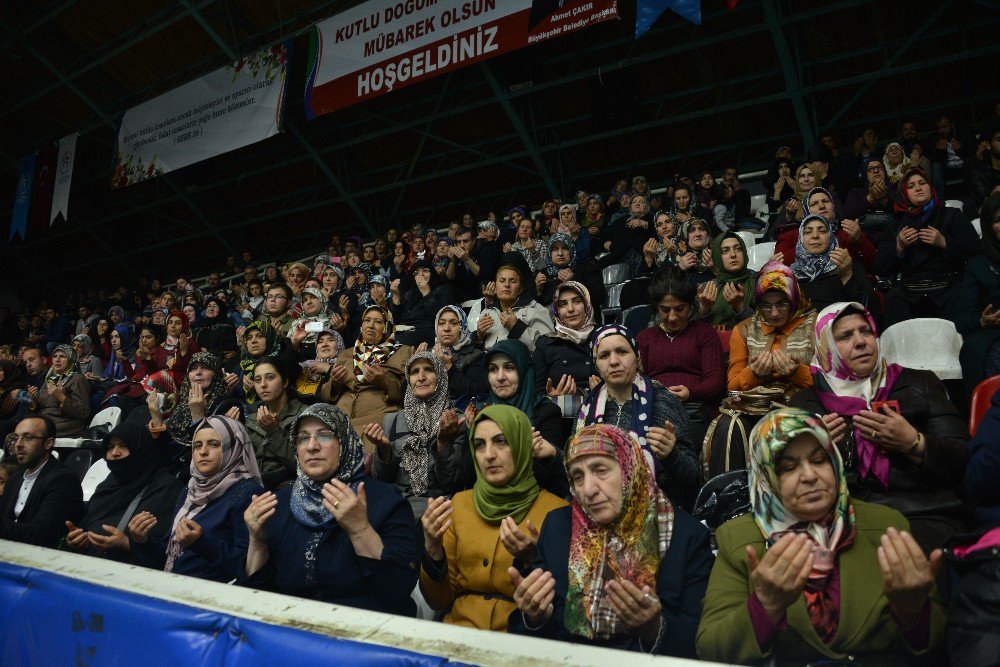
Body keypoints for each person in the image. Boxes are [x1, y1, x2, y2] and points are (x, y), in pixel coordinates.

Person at [697, 408, 946, 664]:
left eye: (819, 461)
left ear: (835, 461)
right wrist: (766, 605)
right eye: (788, 467)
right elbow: (711, 649)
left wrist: (913, 611)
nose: (809, 476)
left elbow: (938, 646)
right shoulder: (739, 539)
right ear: (766, 477)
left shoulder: (886, 527)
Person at [508, 424, 712, 657]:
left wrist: (654, 629)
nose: (588, 489)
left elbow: (701, 644)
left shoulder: (685, 536)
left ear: (630, 469)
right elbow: (531, 636)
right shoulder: (558, 527)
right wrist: (535, 617)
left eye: (601, 470)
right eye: (577, 476)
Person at [790, 302, 970, 552]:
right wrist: (812, 451)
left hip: (921, 513)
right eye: (845, 336)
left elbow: (964, 460)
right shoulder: (806, 403)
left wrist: (913, 442)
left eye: (866, 331)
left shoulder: (919, 383)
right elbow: (786, 481)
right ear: (826, 347)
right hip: (842, 517)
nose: (861, 342)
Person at [238, 404, 419, 615]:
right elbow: (253, 596)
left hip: (365, 631)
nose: (312, 446)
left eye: (324, 436)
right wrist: (257, 541)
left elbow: (399, 587)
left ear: (345, 442)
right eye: (303, 438)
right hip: (292, 630)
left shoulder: (385, 499)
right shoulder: (276, 504)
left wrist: (360, 530)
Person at [419, 405, 568, 630]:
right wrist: (432, 548)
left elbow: (563, 611)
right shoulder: (459, 504)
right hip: (459, 634)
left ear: (520, 445)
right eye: (479, 445)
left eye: (501, 441)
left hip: (521, 637)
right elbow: (437, 600)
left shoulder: (556, 511)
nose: (488, 455)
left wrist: (532, 559)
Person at [577, 325, 700, 510]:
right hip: (600, 508)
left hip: (657, 509)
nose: (614, 361)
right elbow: (577, 472)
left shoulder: (663, 402)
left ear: (637, 358)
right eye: (604, 355)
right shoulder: (587, 409)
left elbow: (693, 477)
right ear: (597, 365)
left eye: (622, 352)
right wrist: (553, 456)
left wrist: (671, 455)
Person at [129, 416, 264, 581]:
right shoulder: (190, 489)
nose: (203, 451)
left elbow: (249, 567)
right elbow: (168, 555)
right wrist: (142, 541)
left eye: (214, 444)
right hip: (173, 586)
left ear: (233, 447)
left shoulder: (247, 493)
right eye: (197, 445)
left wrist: (201, 544)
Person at [874, 167, 980, 328]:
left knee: (962, 298)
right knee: (893, 300)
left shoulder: (951, 215)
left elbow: (975, 251)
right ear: (904, 194)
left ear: (931, 188)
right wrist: (899, 247)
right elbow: (881, 268)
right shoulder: (895, 225)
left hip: (947, 285)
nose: (918, 188)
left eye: (922, 183)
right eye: (911, 186)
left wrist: (944, 243)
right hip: (909, 289)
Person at [365, 351, 465, 520]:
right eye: (414, 372)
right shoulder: (392, 421)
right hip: (398, 505)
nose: (421, 377)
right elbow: (381, 480)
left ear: (440, 376)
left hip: (440, 506)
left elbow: (451, 483)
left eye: (428, 370)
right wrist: (384, 450)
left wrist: (442, 444)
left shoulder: (455, 421)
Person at [463, 339, 569, 498]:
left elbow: (551, 481)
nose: (500, 377)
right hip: (487, 502)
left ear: (524, 370)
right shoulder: (481, 413)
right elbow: (465, 479)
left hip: (533, 502)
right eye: (493, 369)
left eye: (509, 367)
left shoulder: (546, 412)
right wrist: (472, 436)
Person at [63, 422, 181, 561]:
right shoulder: (108, 485)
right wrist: (76, 542)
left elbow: (171, 553)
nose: (114, 453)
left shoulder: (166, 489)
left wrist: (128, 545)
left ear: (141, 448)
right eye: (110, 447)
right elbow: (87, 527)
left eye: (123, 445)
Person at [320, 305, 412, 439]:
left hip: (377, 418)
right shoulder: (347, 353)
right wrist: (335, 383)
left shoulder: (404, 352)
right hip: (341, 417)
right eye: (367, 320)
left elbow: (410, 393)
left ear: (388, 326)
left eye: (378, 322)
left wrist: (385, 382)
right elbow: (325, 396)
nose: (371, 325)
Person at [639, 268, 725, 406]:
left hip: (696, 408)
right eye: (665, 310)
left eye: (679, 309)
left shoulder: (704, 333)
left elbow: (715, 381)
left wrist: (690, 393)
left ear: (690, 306)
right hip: (654, 408)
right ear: (656, 308)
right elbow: (637, 381)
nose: (672, 317)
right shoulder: (644, 338)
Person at [728, 261, 817, 392]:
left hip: (803, 406)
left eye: (782, 304)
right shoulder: (745, 329)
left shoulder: (816, 325)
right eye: (766, 305)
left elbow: (833, 381)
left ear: (794, 299)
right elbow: (732, 388)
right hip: (756, 407)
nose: (774, 313)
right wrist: (753, 374)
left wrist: (797, 373)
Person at [0, 416, 84, 547]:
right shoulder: (14, 479)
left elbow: (41, 535)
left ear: (49, 443)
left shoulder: (62, 480)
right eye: (15, 438)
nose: (18, 444)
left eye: (28, 437)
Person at [790, 214, 881, 322]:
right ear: (800, 239)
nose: (815, 235)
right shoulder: (791, 275)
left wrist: (847, 276)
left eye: (822, 231)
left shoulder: (848, 266)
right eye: (807, 232)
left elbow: (872, 312)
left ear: (831, 236)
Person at [954, 195, 1000, 391]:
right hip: (995, 334)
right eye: (998, 220)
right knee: (976, 349)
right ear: (989, 227)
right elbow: (963, 320)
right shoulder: (979, 265)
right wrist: (983, 321)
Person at [468, 253, 553, 352]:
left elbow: (548, 347)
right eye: (502, 281)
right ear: (495, 286)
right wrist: (479, 337)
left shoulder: (536, 310)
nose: (507, 285)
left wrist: (517, 328)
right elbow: (475, 350)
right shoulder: (487, 312)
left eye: (512, 281)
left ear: (520, 289)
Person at [244, 359, 306, 489]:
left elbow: (305, 462)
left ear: (285, 382)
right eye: (257, 380)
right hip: (253, 484)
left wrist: (274, 432)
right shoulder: (251, 419)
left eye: (270, 378)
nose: (263, 385)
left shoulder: (304, 415)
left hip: (288, 485)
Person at [533, 281, 598, 401]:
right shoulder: (546, 344)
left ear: (587, 304)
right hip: (560, 414)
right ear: (557, 311)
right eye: (563, 304)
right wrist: (552, 398)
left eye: (576, 301)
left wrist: (607, 391)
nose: (570, 309)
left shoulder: (604, 336)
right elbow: (537, 392)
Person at [424, 305, 488, 403]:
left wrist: (449, 367)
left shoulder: (475, 355)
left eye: (453, 323)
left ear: (463, 327)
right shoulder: (427, 354)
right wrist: (415, 363)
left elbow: (477, 393)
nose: (446, 328)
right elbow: (404, 393)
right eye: (441, 323)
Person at [696, 232, 757, 328]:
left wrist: (740, 306)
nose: (733, 255)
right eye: (725, 251)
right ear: (717, 257)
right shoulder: (707, 288)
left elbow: (764, 327)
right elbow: (690, 329)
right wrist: (703, 308)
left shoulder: (758, 283)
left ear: (744, 252)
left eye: (738, 249)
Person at [29, 344, 91, 437]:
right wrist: (34, 400)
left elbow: (84, 412)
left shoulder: (77, 378)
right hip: (46, 421)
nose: (57, 360)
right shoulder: (49, 379)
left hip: (65, 425)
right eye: (54, 356)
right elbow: (41, 407)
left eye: (62, 356)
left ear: (71, 359)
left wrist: (61, 397)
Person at [192, 297, 238, 362]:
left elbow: (231, 352)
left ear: (221, 309)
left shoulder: (228, 326)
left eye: (215, 306)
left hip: (221, 364)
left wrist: (208, 352)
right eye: (209, 306)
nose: (211, 309)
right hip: (198, 362)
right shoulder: (198, 326)